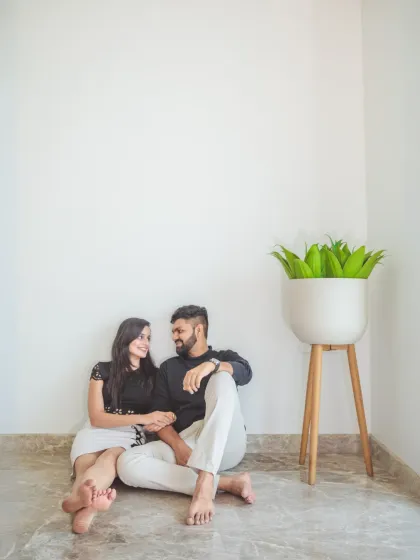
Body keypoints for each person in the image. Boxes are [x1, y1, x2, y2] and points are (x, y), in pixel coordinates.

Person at [117, 305, 255, 526]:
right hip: (191, 443)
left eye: (180, 331)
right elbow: (158, 416)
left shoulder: (222, 357)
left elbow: (246, 372)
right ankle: (228, 483)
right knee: (127, 463)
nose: (174, 337)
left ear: (198, 330)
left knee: (222, 378)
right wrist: (180, 447)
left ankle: (205, 483)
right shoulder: (169, 368)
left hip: (226, 441)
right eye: (173, 332)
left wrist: (211, 366)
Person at [62, 318, 176, 534]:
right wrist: (145, 417)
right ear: (126, 337)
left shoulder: (154, 374)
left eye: (149, 338)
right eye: (141, 336)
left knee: (109, 459)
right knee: (84, 468)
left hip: (128, 434)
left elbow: (163, 411)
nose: (146, 343)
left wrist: (163, 417)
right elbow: (97, 417)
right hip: (96, 430)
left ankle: (76, 504)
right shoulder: (102, 370)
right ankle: (85, 506)